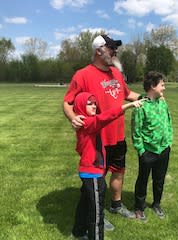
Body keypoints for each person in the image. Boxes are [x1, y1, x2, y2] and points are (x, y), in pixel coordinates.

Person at [63, 34, 140, 229]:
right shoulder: (82, 75)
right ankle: (96, 213)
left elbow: (127, 94)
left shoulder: (116, 73)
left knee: (119, 172)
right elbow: (67, 102)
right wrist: (73, 118)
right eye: (111, 48)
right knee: (97, 180)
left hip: (118, 135)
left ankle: (116, 205)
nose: (115, 52)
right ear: (98, 51)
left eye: (116, 48)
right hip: (98, 140)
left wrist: (149, 97)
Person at [71, 92, 144, 240]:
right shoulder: (87, 123)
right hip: (92, 174)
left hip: (90, 171)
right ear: (80, 107)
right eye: (89, 103)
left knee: (85, 203)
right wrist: (129, 105)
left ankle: (78, 232)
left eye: (94, 103)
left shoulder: (86, 123)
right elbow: (106, 117)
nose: (94, 105)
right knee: (97, 214)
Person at [131, 71, 173, 221]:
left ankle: (156, 204)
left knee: (159, 179)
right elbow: (136, 131)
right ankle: (139, 207)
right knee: (142, 179)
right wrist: (141, 151)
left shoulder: (163, 103)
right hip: (148, 151)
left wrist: (169, 142)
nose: (164, 88)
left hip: (163, 149)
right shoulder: (141, 107)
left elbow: (168, 122)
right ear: (152, 86)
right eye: (162, 85)